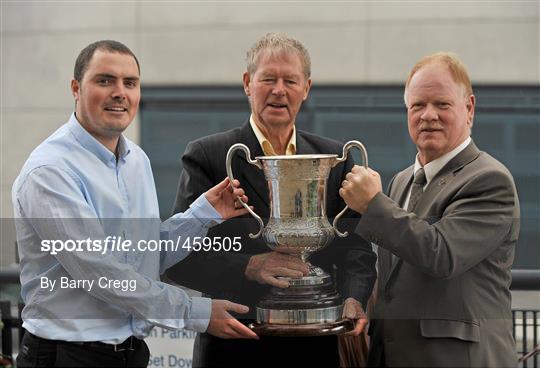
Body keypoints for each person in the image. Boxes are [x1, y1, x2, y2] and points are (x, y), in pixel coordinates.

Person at [12, 40, 257, 368]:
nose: (120, 92)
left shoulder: (135, 161)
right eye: (105, 80)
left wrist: (203, 213)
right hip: (66, 355)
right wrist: (194, 313)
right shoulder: (50, 170)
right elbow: (101, 273)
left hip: (130, 353)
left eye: (130, 83)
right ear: (75, 88)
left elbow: (144, 256)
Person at [167, 32, 377, 367]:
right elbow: (179, 256)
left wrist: (354, 296)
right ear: (248, 83)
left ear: (306, 88)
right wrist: (250, 266)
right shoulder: (208, 155)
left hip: (315, 349)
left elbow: (356, 246)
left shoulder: (335, 157)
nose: (279, 90)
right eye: (268, 78)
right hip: (233, 348)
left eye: (290, 80)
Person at [339, 52, 520, 367]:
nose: (428, 115)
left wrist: (372, 204)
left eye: (442, 104)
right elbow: (395, 278)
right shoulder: (400, 182)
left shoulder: (490, 179)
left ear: (470, 109)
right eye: (417, 105)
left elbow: (442, 254)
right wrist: (358, 304)